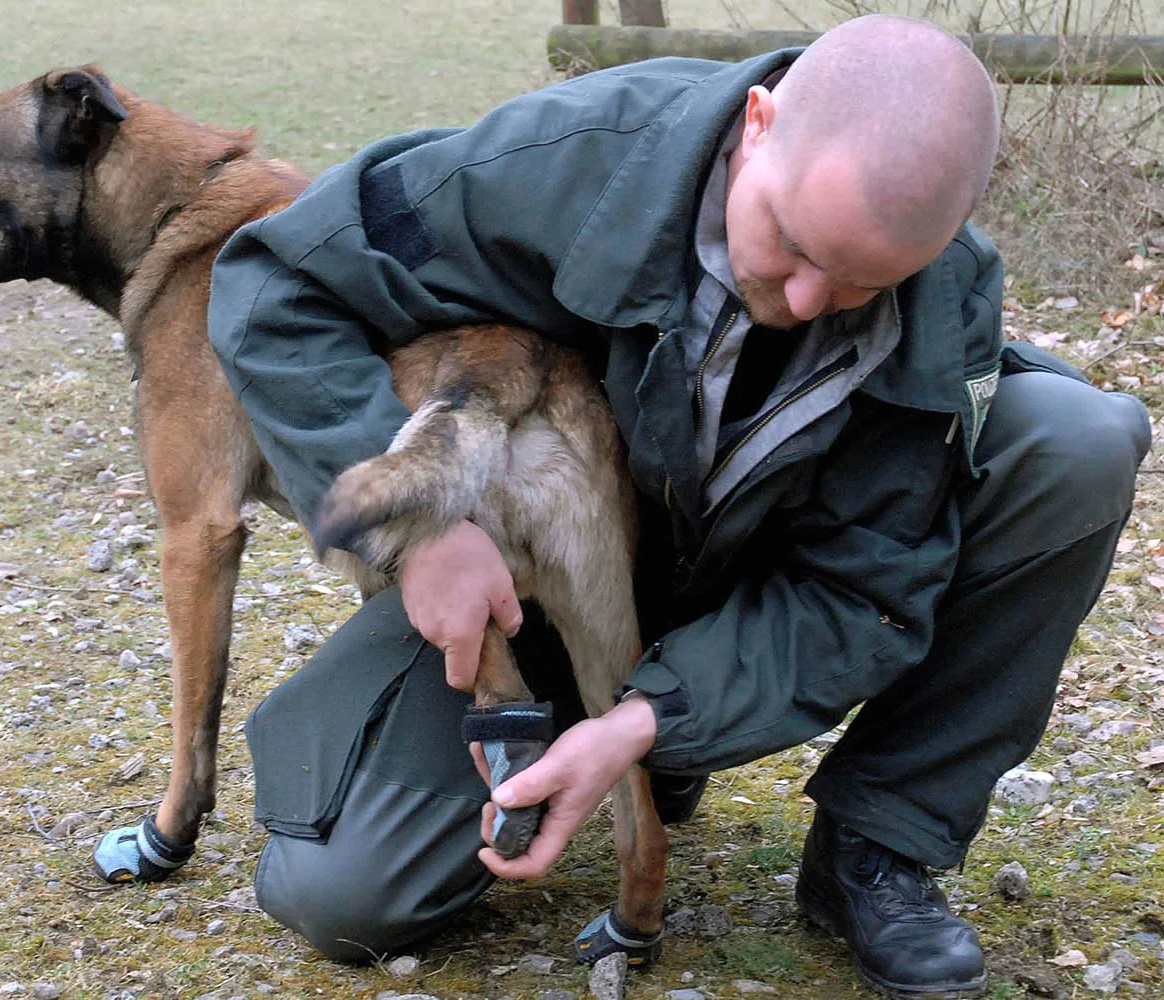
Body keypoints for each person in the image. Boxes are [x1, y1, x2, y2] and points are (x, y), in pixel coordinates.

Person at [206, 14, 1151, 997]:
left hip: (742, 576)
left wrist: (648, 717)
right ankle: (631, 727)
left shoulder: (944, 299)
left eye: (864, 282)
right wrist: (424, 541)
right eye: (787, 240)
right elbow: (275, 279)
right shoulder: (565, 161)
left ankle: (877, 843)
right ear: (758, 123)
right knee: (342, 893)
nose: (807, 295)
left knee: (1077, 440)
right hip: (533, 585)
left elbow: (863, 590)